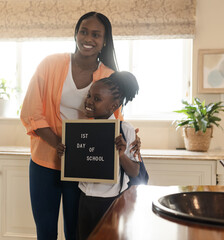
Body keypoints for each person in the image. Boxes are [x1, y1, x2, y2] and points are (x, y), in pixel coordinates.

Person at [20, 12, 140, 240]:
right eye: (83, 31)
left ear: (104, 41)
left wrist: (131, 139)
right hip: (45, 161)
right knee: (45, 231)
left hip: (83, 166)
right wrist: (59, 144)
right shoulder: (50, 64)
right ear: (75, 34)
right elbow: (31, 112)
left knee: (75, 233)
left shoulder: (109, 76)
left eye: (96, 34)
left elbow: (115, 121)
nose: (88, 38)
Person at [57, 71, 141, 240]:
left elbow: (135, 172)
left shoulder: (125, 130)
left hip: (112, 201)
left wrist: (122, 154)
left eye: (97, 99)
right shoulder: (79, 130)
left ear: (113, 106)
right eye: (89, 96)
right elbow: (78, 165)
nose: (89, 101)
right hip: (85, 200)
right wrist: (64, 155)